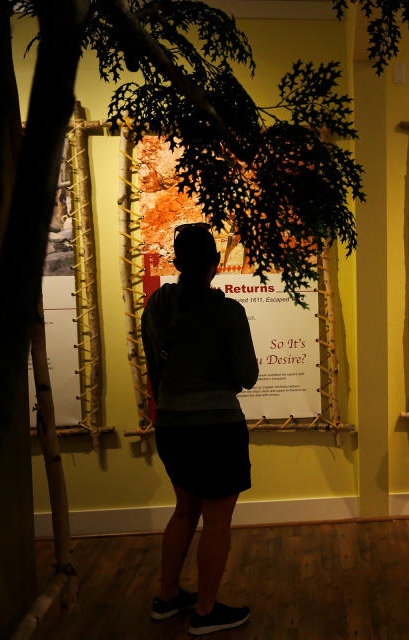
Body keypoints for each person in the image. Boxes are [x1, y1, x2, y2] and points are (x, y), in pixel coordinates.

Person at [142, 222, 259, 636]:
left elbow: (155, 370)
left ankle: (167, 596)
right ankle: (206, 612)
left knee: (184, 510)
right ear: (213, 264)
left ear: (177, 263)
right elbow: (247, 376)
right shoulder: (227, 312)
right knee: (217, 520)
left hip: (172, 424)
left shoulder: (156, 306)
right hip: (217, 427)